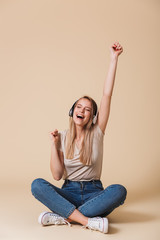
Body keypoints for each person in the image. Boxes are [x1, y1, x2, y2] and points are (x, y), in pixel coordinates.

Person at [31, 42, 127, 234]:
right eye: (79, 107)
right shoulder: (63, 137)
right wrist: (54, 145)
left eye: (87, 109)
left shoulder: (97, 132)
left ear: (92, 116)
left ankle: (65, 216)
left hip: (95, 194)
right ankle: (88, 220)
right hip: (68, 192)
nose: (82, 110)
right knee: (37, 185)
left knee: (119, 190)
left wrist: (113, 59)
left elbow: (106, 95)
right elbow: (57, 176)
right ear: (72, 111)